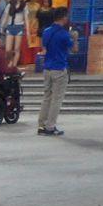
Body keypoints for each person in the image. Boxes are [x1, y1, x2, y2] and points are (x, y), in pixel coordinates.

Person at [35, 8, 76, 137]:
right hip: (59, 68)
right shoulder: (64, 34)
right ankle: (50, 126)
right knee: (56, 99)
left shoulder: (46, 32)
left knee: (47, 97)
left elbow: (44, 48)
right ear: (63, 18)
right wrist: (75, 38)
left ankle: (41, 125)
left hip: (47, 68)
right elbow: (74, 49)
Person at [0, 0, 29, 64]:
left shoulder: (24, 6)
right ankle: (10, 62)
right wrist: (2, 27)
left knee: (17, 49)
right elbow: (5, 16)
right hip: (10, 27)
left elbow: (26, 19)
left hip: (19, 27)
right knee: (8, 49)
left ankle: (14, 66)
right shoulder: (10, 5)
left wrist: (28, 31)